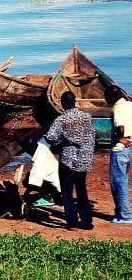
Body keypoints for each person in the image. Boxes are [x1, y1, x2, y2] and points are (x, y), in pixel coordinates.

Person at [45, 91, 96, 230]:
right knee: (82, 190)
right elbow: (92, 136)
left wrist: (61, 143)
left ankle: (72, 222)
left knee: (67, 192)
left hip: (68, 160)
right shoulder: (87, 117)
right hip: (84, 159)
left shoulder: (62, 119)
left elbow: (50, 137)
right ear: (74, 102)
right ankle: (87, 221)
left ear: (63, 103)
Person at [105, 85, 132, 224]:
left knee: (118, 182)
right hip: (129, 147)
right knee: (123, 180)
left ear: (111, 97)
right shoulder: (129, 104)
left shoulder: (117, 108)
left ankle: (125, 215)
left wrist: (120, 138)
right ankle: (122, 212)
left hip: (119, 149)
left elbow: (120, 127)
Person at [20, 136, 60, 208]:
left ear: (32, 147)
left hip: (55, 185)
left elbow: (33, 184)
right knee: (30, 180)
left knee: (27, 182)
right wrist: (14, 136)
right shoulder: (41, 147)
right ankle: (49, 195)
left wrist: (25, 196)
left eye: (29, 147)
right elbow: (27, 148)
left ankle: (47, 199)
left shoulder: (39, 162)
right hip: (57, 178)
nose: (28, 149)